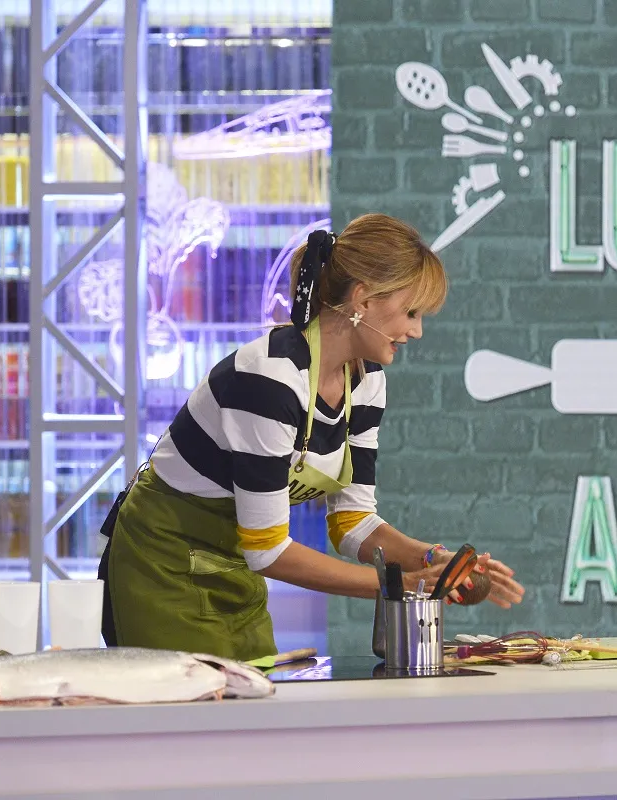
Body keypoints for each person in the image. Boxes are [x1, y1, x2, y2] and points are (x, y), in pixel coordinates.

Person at [97, 214, 525, 660]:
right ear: (363, 298)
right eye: (411, 312)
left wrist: (436, 560)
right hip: (162, 565)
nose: (416, 331)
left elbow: (352, 524)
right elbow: (266, 549)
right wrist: (398, 583)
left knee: (251, 715)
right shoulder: (270, 380)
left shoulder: (367, 381)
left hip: (236, 570)